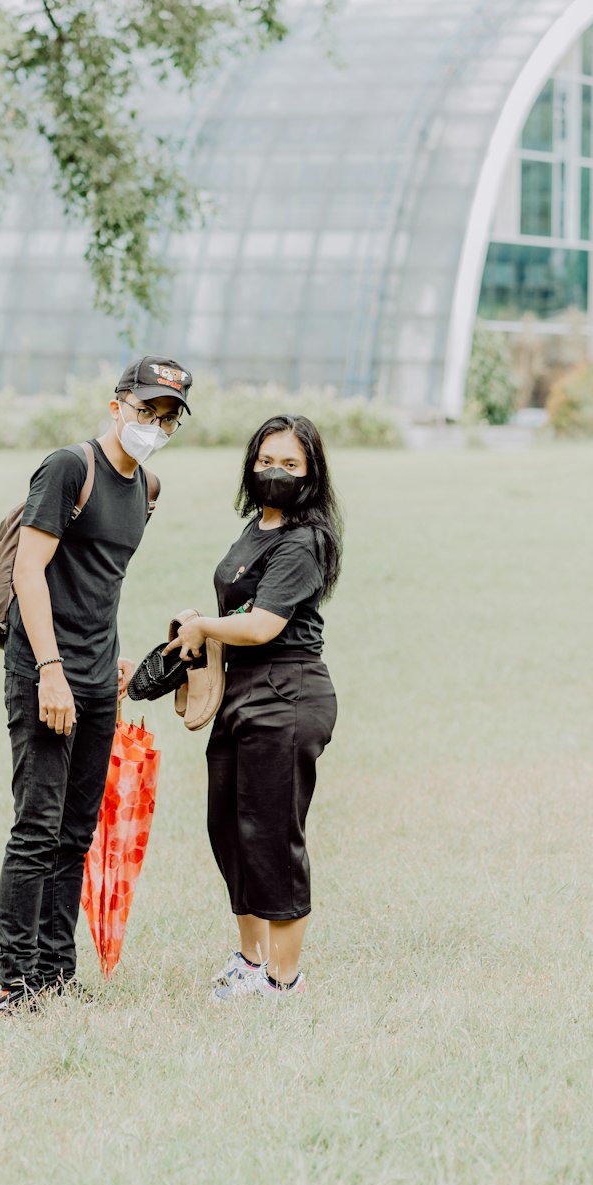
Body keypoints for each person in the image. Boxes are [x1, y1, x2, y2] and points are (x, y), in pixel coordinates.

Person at [0, 356, 193, 1013]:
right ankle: (15, 982)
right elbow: (29, 572)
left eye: (167, 417)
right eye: (145, 411)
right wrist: (50, 670)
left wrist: (110, 661)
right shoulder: (69, 469)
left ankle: (55, 972)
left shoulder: (149, 488)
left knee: (77, 831)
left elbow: (101, 578)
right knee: (37, 826)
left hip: (97, 679)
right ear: (117, 406)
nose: (154, 426)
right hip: (45, 672)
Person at [168, 414, 341, 1002]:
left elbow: (265, 625)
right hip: (241, 692)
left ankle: (283, 980)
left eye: (291, 465)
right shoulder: (255, 527)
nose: (276, 472)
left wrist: (202, 626)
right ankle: (249, 960)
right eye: (267, 460)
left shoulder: (306, 539)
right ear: (250, 464)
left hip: (286, 693)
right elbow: (240, 607)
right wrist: (203, 624)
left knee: (271, 835)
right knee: (229, 830)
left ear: (311, 474)